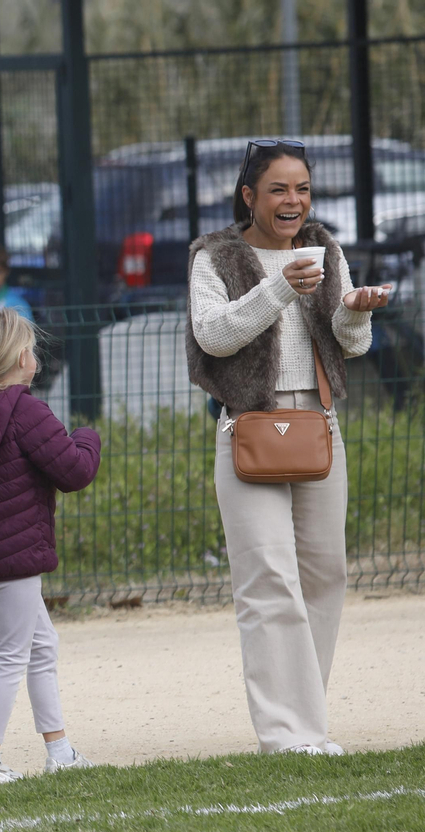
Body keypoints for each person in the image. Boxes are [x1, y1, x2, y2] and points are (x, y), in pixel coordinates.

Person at [187, 139, 387, 755]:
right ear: (250, 195)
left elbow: (351, 345)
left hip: (319, 426)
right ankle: (287, 734)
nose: (293, 200)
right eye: (278, 189)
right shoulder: (214, 256)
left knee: (325, 575)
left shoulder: (325, 247)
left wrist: (356, 311)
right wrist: (278, 289)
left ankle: (307, 723)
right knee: (268, 579)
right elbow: (213, 335)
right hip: (250, 429)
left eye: (301, 188)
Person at [0, 309, 101, 789]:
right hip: (16, 553)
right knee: (11, 655)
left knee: (42, 644)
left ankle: (59, 750)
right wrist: (87, 437)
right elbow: (74, 472)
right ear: (23, 358)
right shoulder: (26, 410)